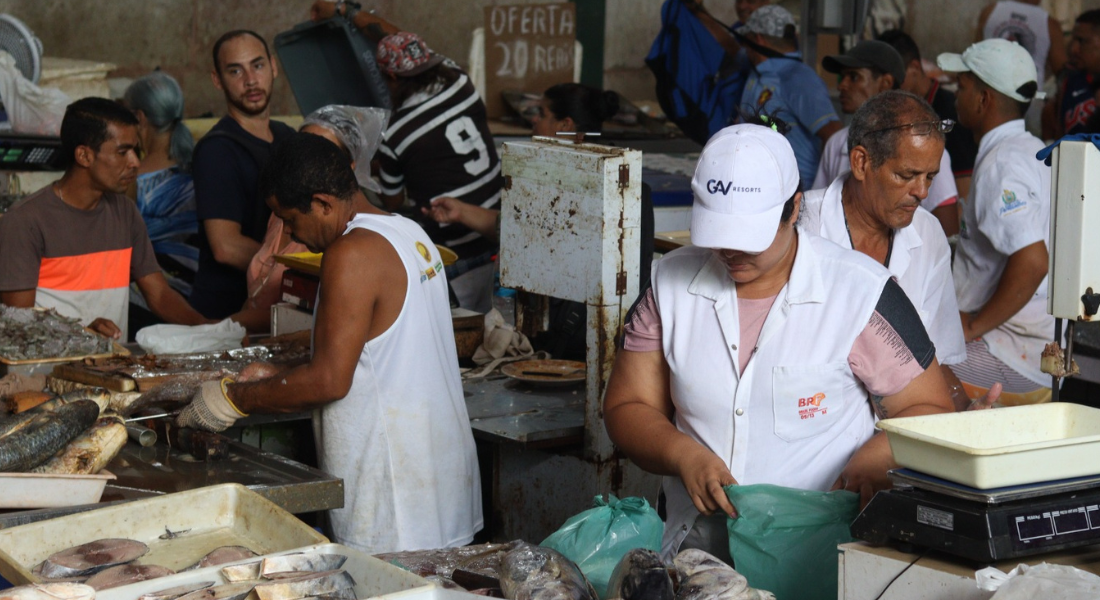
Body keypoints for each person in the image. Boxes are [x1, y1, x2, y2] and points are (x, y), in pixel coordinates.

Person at [603, 123, 954, 561]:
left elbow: (931, 411)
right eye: (718, 235)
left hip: (818, 552)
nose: (731, 252)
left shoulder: (861, 294)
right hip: (697, 552)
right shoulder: (670, 285)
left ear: (794, 209)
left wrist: (876, 458)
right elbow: (626, 405)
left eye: (749, 237)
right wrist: (681, 454)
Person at [176, 133, 483, 554]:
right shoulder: (408, 232)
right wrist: (282, 374)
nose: (290, 234)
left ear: (322, 203)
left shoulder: (351, 253)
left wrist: (232, 398)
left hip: (394, 498)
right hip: (436, 485)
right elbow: (374, 354)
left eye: (289, 219)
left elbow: (329, 382)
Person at [801, 91, 992, 411]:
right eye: (906, 176)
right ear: (861, 162)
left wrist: (965, 410)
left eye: (930, 177)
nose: (922, 192)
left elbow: (933, 361)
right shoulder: (801, 226)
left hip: (894, 428)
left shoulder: (928, 235)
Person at [0, 98, 210, 340]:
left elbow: (159, 295)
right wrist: (81, 333)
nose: (135, 162)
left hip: (110, 371)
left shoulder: (125, 212)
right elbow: (17, 323)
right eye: (123, 152)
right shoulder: (25, 221)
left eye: (136, 150)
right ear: (84, 156)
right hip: (43, 375)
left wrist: (208, 328)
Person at [938, 39, 1054, 405]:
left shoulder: (1001, 165)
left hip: (1008, 351)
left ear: (984, 99)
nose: (957, 97)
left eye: (963, 87)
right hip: (1032, 345)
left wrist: (972, 325)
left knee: (894, 383)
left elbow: (1034, 260)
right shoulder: (1031, 150)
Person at [373, 31, 502, 314]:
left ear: (391, 79)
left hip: (458, 255)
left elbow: (392, 202)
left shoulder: (395, 133)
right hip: (501, 232)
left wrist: (379, 165)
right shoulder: (461, 81)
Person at [238, 105, 390, 333]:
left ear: (347, 169)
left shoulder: (347, 246)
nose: (303, 163)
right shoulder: (282, 217)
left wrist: (222, 325)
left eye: (321, 154)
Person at [189, 30, 296, 320]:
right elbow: (225, 246)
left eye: (257, 65)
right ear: (217, 80)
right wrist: (295, 267)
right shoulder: (218, 150)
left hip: (275, 308)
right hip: (227, 316)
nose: (250, 80)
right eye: (235, 70)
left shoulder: (287, 137)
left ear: (273, 67)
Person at [812, 41, 961, 237]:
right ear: (859, 160)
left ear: (885, 83)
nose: (842, 85)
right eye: (842, 77)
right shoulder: (837, 143)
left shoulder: (924, 149)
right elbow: (819, 211)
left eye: (854, 77)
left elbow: (948, 232)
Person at [737, 5, 842, 186]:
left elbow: (833, 134)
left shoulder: (799, 79)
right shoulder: (758, 72)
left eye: (747, 42)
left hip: (793, 196)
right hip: (757, 187)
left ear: (758, 40)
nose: (745, 49)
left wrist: (823, 192)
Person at [645, 0, 769, 144]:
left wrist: (698, 11)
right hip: (730, 118)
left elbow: (737, 53)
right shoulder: (739, 28)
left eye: (750, 1)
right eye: (739, 1)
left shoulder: (778, 39)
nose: (742, 6)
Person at [878, 29, 980, 200]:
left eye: (894, 77)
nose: (888, 85)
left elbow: (964, 189)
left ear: (915, 68)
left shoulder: (951, 112)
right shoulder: (890, 112)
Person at [123, 72, 198, 303]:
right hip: (199, 293)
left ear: (139, 117)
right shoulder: (201, 166)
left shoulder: (131, 178)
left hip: (150, 299)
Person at [978, 0, 1066, 87]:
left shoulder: (990, 11)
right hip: (1028, 97)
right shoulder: (1050, 24)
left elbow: (976, 55)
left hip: (988, 91)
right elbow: (1063, 75)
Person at [1049, 10, 1100, 138]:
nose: (1074, 49)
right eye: (1074, 41)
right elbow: (1059, 136)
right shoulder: (1070, 81)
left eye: (1082, 41)